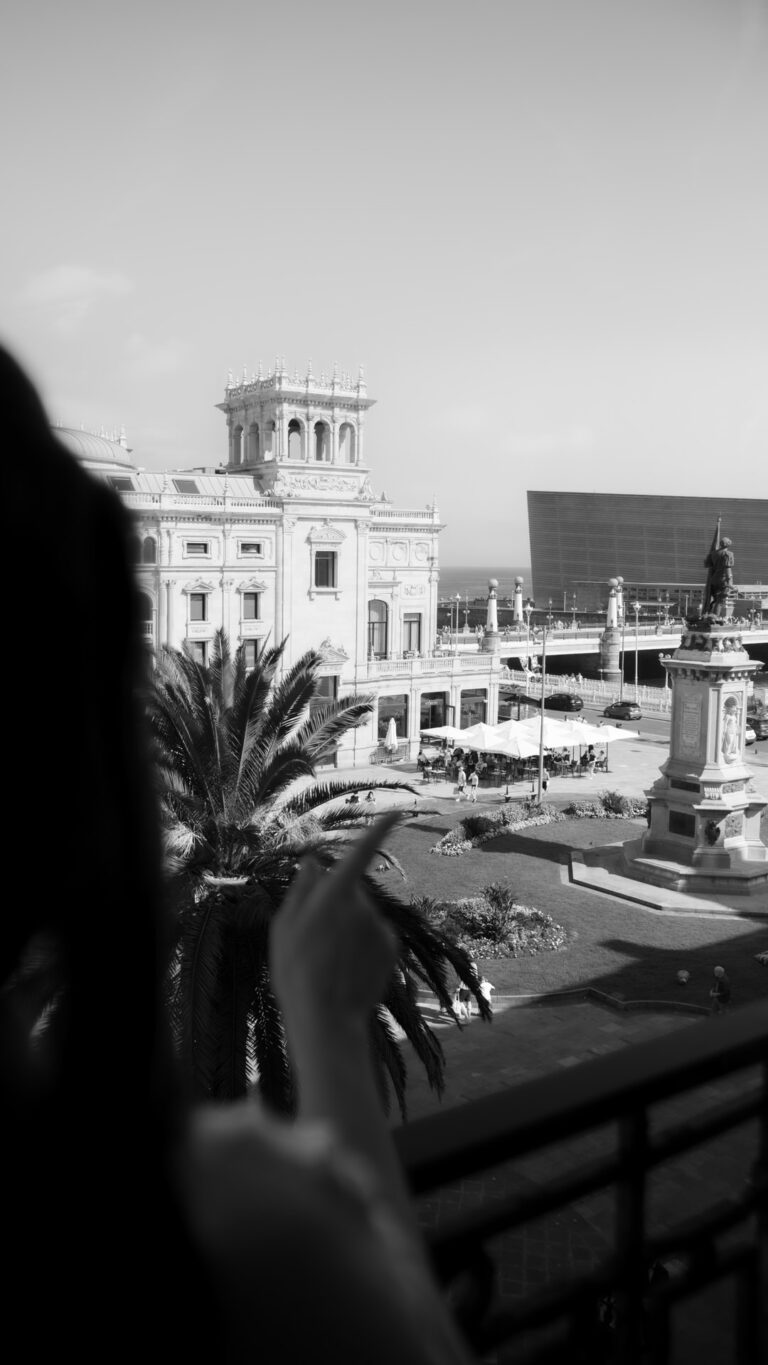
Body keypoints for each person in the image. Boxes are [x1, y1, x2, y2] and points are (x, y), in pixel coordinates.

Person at [0, 344, 474, 1365]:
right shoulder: (216, 1225)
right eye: (281, 429)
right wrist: (329, 1038)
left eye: (302, 429)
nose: (290, 445)